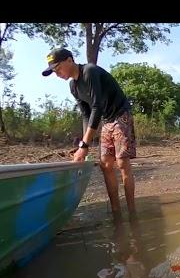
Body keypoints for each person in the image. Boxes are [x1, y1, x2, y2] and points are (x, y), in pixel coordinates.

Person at [42, 48, 137, 219]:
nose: (57, 74)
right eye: (54, 71)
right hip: (107, 120)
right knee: (105, 165)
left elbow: (97, 107)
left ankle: (132, 212)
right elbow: (86, 115)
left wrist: (85, 145)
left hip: (121, 113)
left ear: (69, 60)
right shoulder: (73, 86)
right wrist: (83, 144)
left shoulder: (89, 71)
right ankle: (117, 213)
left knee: (122, 163)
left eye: (58, 68)